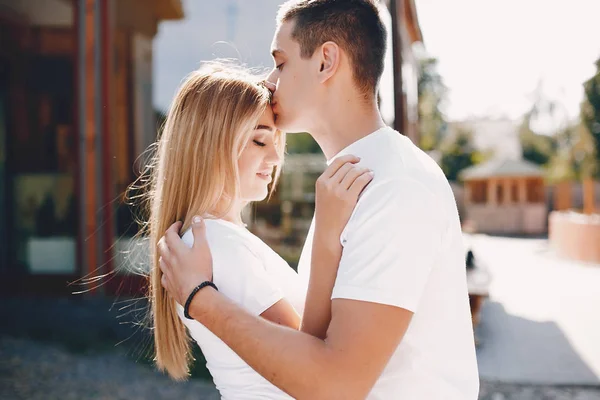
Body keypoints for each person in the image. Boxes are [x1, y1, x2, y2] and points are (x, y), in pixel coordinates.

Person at [159, 0, 480, 398]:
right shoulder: (349, 186)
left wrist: (199, 299)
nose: (271, 82)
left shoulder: (393, 187)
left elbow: (335, 384)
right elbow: (313, 342)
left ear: (326, 61)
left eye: (281, 62)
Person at [145, 62, 372, 399]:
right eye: (259, 141)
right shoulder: (218, 245)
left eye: (274, 142)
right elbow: (311, 367)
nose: (276, 158)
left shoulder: (215, 240)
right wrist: (327, 228)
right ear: (213, 144)